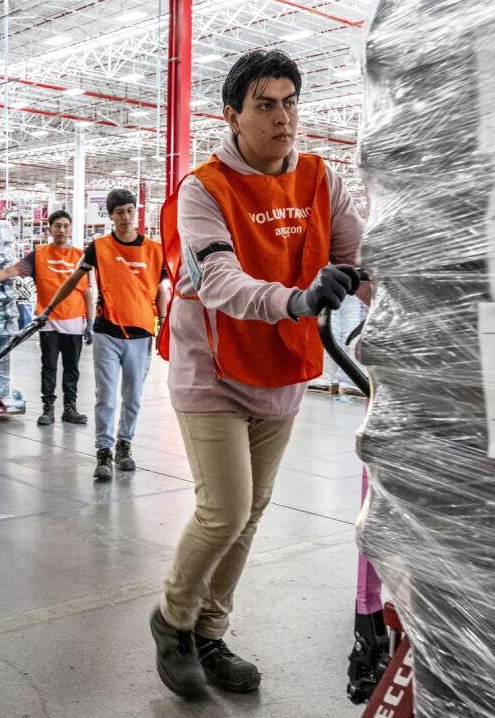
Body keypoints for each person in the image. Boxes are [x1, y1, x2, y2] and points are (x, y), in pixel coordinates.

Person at [149, 49, 365, 699]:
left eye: (290, 101)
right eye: (265, 104)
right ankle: (172, 620)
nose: (283, 117)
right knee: (226, 507)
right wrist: (297, 300)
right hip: (211, 368)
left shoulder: (322, 180)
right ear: (233, 115)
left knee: (252, 512)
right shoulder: (203, 188)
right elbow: (216, 279)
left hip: (282, 370)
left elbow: (360, 256)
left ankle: (210, 634)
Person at [39, 189, 168, 481]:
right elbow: (74, 280)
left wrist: (165, 326)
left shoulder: (155, 250)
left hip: (141, 333)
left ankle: (125, 445)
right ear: (110, 216)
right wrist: (49, 308)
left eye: (130, 211)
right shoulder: (99, 247)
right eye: (119, 211)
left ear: (137, 213)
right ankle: (104, 451)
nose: (125, 217)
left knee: (133, 396)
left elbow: (160, 290)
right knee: (106, 396)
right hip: (107, 332)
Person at [0, 210, 92, 426]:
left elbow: (88, 291)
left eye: (66, 226)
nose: (61, 230)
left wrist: (91, 323)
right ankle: (47, 408)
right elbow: (9, 272)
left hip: (75, 321)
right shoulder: (38, 255)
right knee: (48, 366)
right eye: (57, 225)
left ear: (70, 229)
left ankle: (70, 408)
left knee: (72, 368)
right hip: (47, 321)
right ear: (49, 229)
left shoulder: (81, 256)